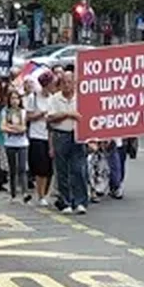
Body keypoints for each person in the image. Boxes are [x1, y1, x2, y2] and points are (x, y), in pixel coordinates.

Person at [46, 69, 87, 214]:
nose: (67, 85)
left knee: (78, 169)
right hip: (60, 135)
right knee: (62, 170)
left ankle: (80, 201)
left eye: (69, 82)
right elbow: (50, 118)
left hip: (77, 136)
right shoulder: (54, 99)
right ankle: (65, 202)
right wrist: (67, 114)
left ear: (74, 83)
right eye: (64, 82)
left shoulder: (81, 98)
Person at [24, 70, 54, 206]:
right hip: (37, 135)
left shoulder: (53, 98)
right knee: (41, 167)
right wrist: (41, 114)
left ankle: (45, 193)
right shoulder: (34, 97)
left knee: (49, 168)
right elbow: (28, 117)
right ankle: (41, 195)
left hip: (50, 135)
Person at [1, 88, 31, 203]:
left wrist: (11, 127)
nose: (14, 101)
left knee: (22, 168)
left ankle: (25, 192)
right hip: (10, 143)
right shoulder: (5, 112)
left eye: (17, 98)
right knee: (12, 169)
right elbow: (3, 127)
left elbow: (23, 128)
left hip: (22, 143)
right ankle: (13, 194)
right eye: (12, 98)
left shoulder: (23, 112)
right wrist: (14, 129)